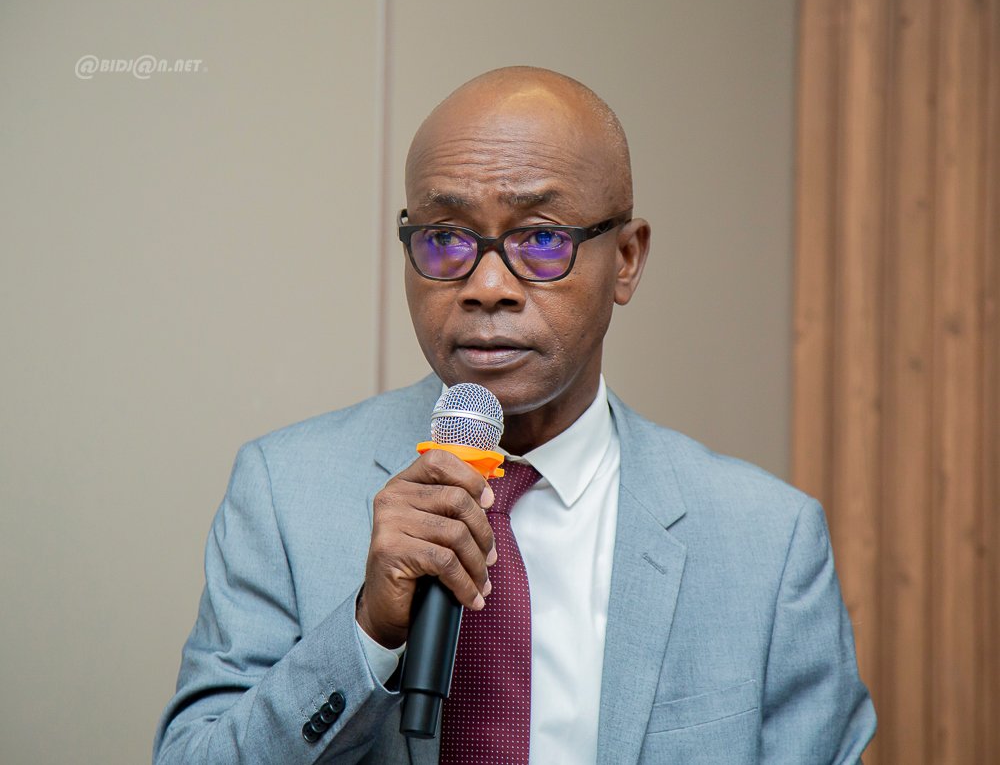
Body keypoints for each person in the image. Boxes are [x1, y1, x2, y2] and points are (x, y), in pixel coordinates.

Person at [153, 66, 875, 764]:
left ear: (626, 259)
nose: (487, 286)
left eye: (541, 238)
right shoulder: (282, 492)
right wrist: (366, 633)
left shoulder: (769, 543)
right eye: (446, 238)